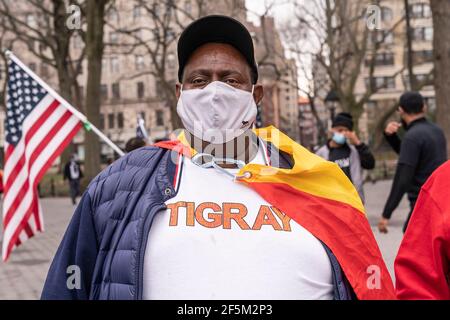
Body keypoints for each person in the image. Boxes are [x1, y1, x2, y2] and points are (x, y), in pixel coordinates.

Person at [42, 15, 394, 300]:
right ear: (179, 93)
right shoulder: (118, 186)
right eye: (199, 80)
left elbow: (367, 283)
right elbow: (67, 288)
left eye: (230, 79)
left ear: (255, 94)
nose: (214, 92)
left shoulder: (318, 182)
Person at [378, 92, 447, 233]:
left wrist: (386, 214)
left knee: (412, 248)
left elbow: (403, 177)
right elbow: (413, 158)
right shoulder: (437, 131)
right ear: (424, 107)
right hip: (442, 201)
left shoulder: (412, 137)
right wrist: (391, 138)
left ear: (401, 110)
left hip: (422, 206)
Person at [394, 160, 450, 299]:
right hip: (427, 205)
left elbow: (404, 174)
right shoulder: (443, 180)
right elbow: (416, 283)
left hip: (426, 204)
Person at [316, 112, 375, 202]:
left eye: (346, 131)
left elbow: (370, 164)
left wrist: (358, 143)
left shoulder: (354, 151)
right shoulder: (321, 153)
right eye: (340, 130)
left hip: (353, 202)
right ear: (332, 130)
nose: (343, 133)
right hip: (332, 202)